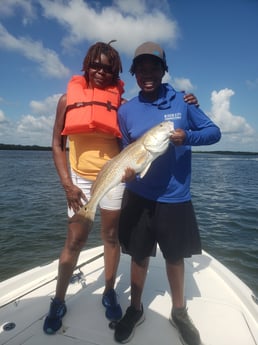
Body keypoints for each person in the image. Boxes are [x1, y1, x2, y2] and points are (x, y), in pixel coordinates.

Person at [43, 41, 199, 335]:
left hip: (113, 176)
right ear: (86, 65)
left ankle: (109, 291)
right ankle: (58, 299)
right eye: (95, 65)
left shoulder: (123, 104)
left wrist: (186, 102)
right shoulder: (66, 100)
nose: (100, 72)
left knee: (111, 237)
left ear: (116, 72)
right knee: (74, 241)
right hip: (78, 180)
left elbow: (144, 126)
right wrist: (66, 183)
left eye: (107, 67)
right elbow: (56, 144)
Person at [114, 42, 221, 345]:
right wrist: (127, 170)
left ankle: (179, 311)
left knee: (175, 257)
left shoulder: (183, 102)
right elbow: (125, 151)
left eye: (154, 67)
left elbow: (214, 133)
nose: (148, 73)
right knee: (138, 256)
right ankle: (135, 309)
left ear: (163, 70)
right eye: (142, 68)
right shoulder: (126, 111)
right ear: (134, 73)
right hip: (137, 194)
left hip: (175, 196)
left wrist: (188, 135)